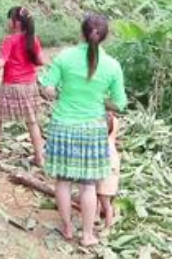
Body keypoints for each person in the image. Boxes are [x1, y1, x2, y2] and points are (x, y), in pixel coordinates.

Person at [39, 14, 127, 247]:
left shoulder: (65, 57)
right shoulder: (112, 66)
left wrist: (59, 93)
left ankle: (67, 227)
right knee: (89, 185)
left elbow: (47, 88)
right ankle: (87, 235)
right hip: (92, 129)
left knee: (63, 181)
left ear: (81, 33)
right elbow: (120, 104)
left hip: (63, 125)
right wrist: (101, 101)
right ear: (106, 37)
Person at [0, 7, 46, 167]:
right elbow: (41, 61)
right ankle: (39, 158)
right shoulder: (33, 38)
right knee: (32, 122)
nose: (8, 22)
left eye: (9, 18)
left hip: (12, 85)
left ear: (16, 22)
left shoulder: (10, 40)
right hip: (30, 86)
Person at [97, 111, 120, 229]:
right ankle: (96, 217)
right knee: (98, 197)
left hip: (107, 177)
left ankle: (108, 226)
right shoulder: (110, 140)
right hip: (110, 175)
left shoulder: (104, 143)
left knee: (106, 204)